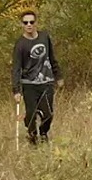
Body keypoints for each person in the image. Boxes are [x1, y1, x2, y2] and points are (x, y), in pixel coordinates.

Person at [12, 10, 61, 145]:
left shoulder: (44, 37)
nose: (29, 25)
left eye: (31, 22)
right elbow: (16, 67)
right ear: (22, 24)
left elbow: (52, 57)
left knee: (48, 114)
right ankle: (32, 137)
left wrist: (58, 75)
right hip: (29, 84)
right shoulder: (20, 44)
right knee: (31, 115)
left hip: (46, 82)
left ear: (36, 23)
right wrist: (16, 90)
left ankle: (44, 134)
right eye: (25, 22)